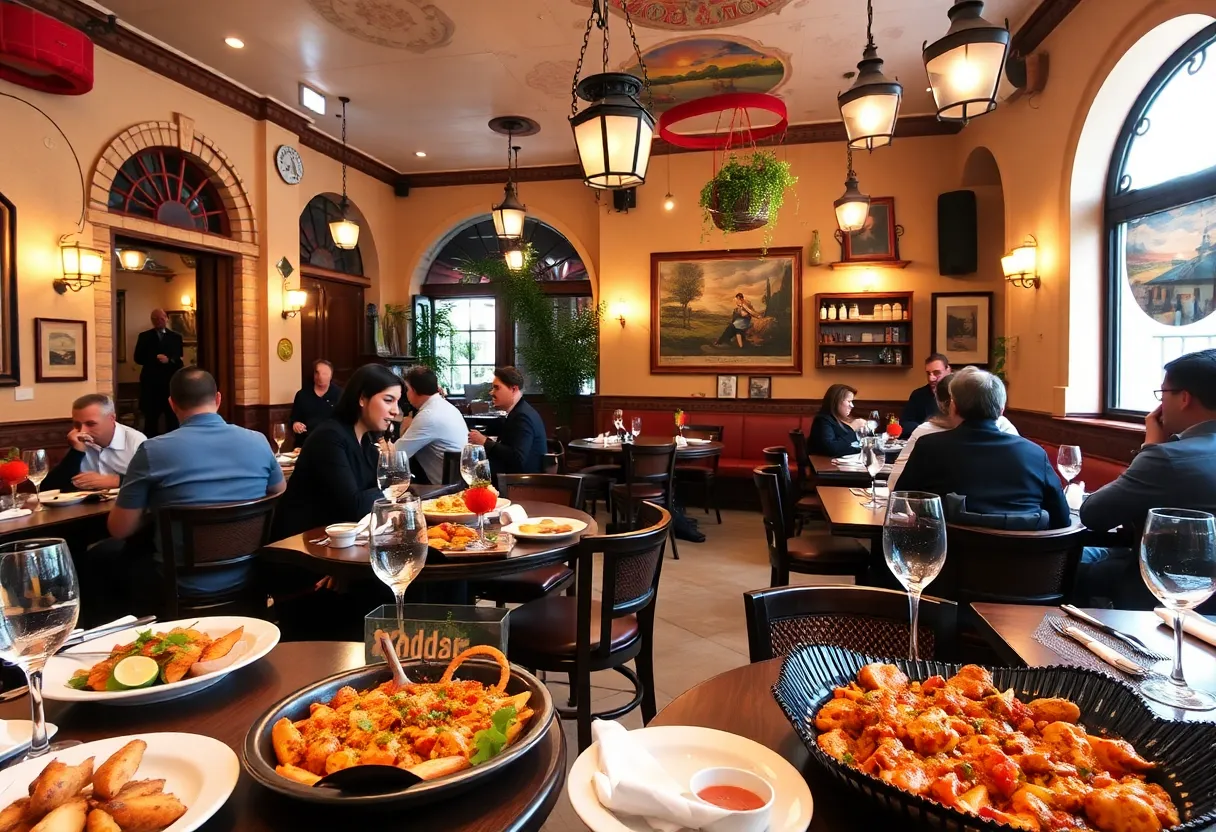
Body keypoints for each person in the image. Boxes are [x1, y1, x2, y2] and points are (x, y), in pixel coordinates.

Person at [107, 367, 284, 596]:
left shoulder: (152, 451)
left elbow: (120, 529)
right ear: (218, 398)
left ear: (172, 404)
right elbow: (279, 496)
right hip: (249, 576)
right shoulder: (258, 441)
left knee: (105, 557)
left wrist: (157, 513)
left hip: (179, 584)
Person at [1076, 349, 1216, 608]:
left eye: (1163, 394)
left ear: (1184, 398)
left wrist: (1149, 448)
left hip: (1165, 591)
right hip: (1207, 594)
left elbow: (1093, 515)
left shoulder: (1166, 458)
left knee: (1070, 567)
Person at [896, 368, 1070, 530]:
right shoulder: (1035, 455)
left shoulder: (929, 447)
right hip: (1026, 561)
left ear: (953, 407)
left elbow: (899, 502)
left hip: (949, 560)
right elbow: (1062, 521)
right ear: (1001, 410)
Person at [274, 363, 409, 538]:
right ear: (362, 398)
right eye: (388, 400)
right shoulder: (329, 437)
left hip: (340, 541)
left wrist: (390, 490)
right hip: (302, 545)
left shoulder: (366, 441)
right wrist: (392, 489)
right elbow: (354, 507)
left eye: (397, 402)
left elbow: (376, 493)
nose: (395, 411)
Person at [887, 373, 1020, 491]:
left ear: (954, 407)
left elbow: (897, 489)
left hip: (943, 518)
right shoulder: (1032, 454)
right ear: (1001, 410)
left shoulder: (928, 443)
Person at [41, 394, 147, 493]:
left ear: (111, 419)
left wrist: (116, 481)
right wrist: (76, 452)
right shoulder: (78, 440)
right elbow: (47, 488)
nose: (83, 431)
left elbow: (154, 481)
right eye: (77, 424)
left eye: (91, 424)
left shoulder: (136, 441)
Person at [394, 365, 467, 484]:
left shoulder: (429, 416)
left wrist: (403, 429)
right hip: (459, 486)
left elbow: (397, 456)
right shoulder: (446, 407)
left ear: (413, 390)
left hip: (444, 492)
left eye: (406, 389)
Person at [467, 366, 546, 475]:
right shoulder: (520, 411)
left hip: (521, 488)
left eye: (497, 388)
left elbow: (517, 459)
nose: (491, 392)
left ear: (513, 389)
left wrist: (485, 442)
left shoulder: (522, 416)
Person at [133, 308, 185, 437]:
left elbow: (179, 359)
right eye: (155, 319)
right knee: (150, 419)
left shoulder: (175, 337)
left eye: (161, 318)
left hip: (169, 384)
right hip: (151, 384)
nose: (158, 321)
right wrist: (154, 358)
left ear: (166, 319)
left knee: (172, 419)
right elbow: (138, 358)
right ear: (151, 320)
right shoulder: (144, 336)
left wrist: (169, 360)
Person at [289, 359, 342, 446]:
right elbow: (294, 419)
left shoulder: (340, 394)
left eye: (324, 374)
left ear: (331, 375)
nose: (320, 376)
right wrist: (296, 424)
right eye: (317, 373)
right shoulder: (302, 395)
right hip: (305, 443)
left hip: (332, 442)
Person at [900, 353, 951, 435]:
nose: (931, 378)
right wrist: (925, 430)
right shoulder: (918, 395)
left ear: (948, 370)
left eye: (936, 373)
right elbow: (905, 424)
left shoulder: (958, 394)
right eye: (928, 373)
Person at [809, 384, 866, 457]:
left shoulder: (842, 419)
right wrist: (852, 428)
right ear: (836, 402)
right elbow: (832, 449)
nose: (852, 405)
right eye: (849, 401)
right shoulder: (822, 420)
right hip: (825, 466)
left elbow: (846, 447)